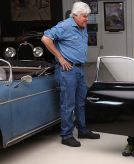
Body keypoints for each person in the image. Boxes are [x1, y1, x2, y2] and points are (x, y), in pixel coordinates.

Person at [41, 2, 100, 147]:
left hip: (80, 69)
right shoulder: (65, 26)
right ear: (75, 15)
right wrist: (60, 58)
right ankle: (66, 135)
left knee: (81, 102)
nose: (87, 19)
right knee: (68, 104)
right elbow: (45, 38)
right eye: (84, 16)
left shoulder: (82, 27)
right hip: (67, 70)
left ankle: (82, 130)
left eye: (87, 16)